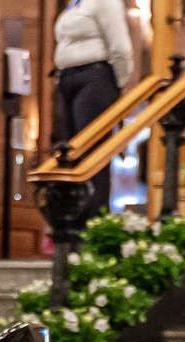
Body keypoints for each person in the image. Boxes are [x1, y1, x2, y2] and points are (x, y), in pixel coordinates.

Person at [53, 0, 134, 218]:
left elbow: (121, 48)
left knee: (93, 156)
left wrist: (120, 84)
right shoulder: (76, 3)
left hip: (95, 79)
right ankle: (72, 231)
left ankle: (92, 229)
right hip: (69, 79)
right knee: (72, 157)